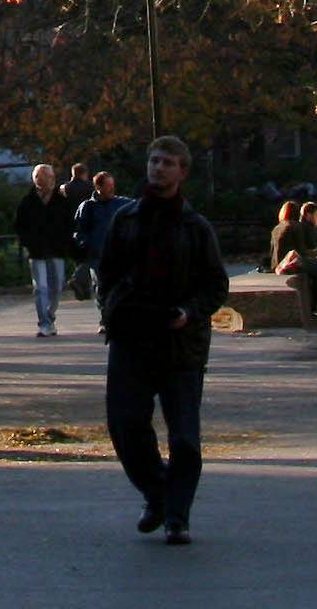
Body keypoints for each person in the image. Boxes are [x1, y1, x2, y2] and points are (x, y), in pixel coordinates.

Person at [99, 135, 229, 546]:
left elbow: (215, 285)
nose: (158, 169)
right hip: (132, 337)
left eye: (167, 163)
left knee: (185, 435)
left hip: (180, 344)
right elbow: (107, 274)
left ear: (182, 172)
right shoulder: (127, 219)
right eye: (154, 161)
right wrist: (112, 309)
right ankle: (157, 492)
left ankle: (177, 515)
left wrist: (188, 312)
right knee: (126, 424)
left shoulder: (194, 227)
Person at [14, 164, 80, 340]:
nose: (51, 180)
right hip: (36, 250)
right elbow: (20, 225)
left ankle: (49, 316)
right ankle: (44, 323)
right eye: (45, 177)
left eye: (51, 177)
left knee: (57, 286)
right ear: (37, 179)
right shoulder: (27, 202)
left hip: (57, 249)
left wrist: (66, 242)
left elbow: (70, 223)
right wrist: (27, 242)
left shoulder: (61, 201)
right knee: (40, 287)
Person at [71, 167, 127, 293]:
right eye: (108, 185)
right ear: (98, 187)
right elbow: (79, 230)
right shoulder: (87, 207)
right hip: (97, 256)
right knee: (101, 288)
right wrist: (86, 245)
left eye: (112, 185)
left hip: (118, 256)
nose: (112, 188)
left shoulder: (122, 204)